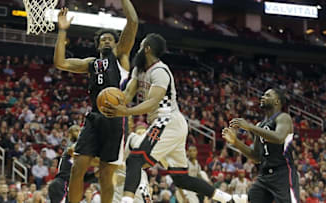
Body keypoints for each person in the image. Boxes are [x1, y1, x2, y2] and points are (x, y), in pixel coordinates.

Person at [102, 33, 246, 203]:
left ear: (147, 49)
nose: (138, 50)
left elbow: (152, 103)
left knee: (135, 158)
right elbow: (127, 94)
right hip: (161, 123)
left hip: (168, 120)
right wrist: (112, 104)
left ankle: (126, 201)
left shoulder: (160, 71)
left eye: (141, 46)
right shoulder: (138, 70)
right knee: (181, 178)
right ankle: (229, 199)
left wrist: (124, 112)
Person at [53, 0, 138, 202]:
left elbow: (133, 21)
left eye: (110, 39)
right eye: (103, 39)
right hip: (94, 117)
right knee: (77, 169)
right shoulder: (91, 63)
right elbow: (61, 62)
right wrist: (63, 31)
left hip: (115, 118)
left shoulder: (120, 55)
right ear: (98, 44)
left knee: (106, 174)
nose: (107, 41)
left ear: (116, 43)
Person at [222, 88, 299, 203]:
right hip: (265, 175)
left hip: (283, 173)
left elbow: (278, 137)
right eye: (263, 95)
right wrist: (236, 142)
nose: (263, 97)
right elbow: (256, 156)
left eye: (267, 95)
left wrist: (250, 127)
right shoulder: (260, 125)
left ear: (277, 101)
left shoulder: (283, 117)